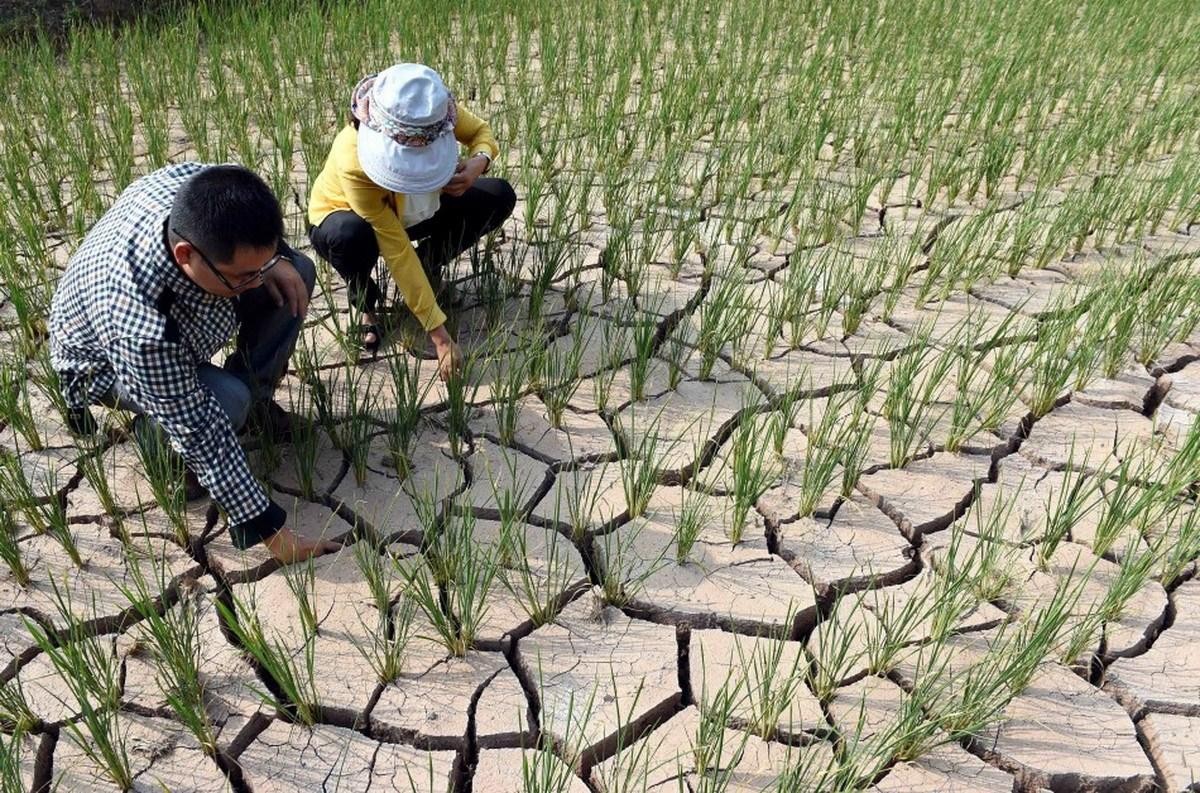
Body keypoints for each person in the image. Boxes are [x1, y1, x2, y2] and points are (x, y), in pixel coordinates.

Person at [49, 163, 340, 564]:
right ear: (185, 254)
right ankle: (160, 444)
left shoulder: (198, 188)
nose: (255, 280)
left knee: (296, 271)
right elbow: (198, 427)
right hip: (104, 366)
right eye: (243, 276)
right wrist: (272, 532)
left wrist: (277, 261)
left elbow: (254, 243)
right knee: (225, 403)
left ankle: (256, 403)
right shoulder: (138, 323)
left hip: (177, 320)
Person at [307, 62, 516, 370]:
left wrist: (478, 164)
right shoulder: (353, 159)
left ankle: (428, 264)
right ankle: (365, 304)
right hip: (352, 217)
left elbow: (480, 132)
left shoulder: (433, 114)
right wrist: (441, 338)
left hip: (416, 206)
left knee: (498, 194)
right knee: (349, 236)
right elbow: (396, 248)